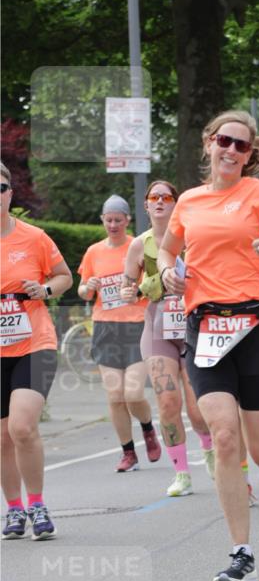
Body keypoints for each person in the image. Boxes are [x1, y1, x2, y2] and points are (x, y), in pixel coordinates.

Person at [158, 110, 259, 581]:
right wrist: (166, 271)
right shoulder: (189, 201)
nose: (230, 150)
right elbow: (167, 249)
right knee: (224, 436)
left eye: (241, 146)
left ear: (249, 155)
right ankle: (242, 553)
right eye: (224, 141)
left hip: (258, 326)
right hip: (206, 327)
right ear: (209, 142)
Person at [121, 180, 215, 497]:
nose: (160, 201)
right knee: (167, 400)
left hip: (193, 325)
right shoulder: (139, 245)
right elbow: (126, 287)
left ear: (176, 204)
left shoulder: (192, 238)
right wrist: (130, 292)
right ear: (146, 205)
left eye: (166, 197)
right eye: (154, 197)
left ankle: (209, 449)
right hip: (158, 326)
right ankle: (181, 473)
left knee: (198, 408)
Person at [1, 161, 72, 540]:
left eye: (0, 188)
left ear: (10, 194)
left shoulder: (34, 238)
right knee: (2, 437)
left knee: (22, 426)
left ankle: (37, 504)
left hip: (35, 343)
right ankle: (14, 509)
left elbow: (64, 277)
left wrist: (44, 290)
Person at [78, 195, 161, 472]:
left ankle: (148, 428)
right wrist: (88, 287)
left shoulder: (138, 246)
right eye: (108, 220)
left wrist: (137, 292)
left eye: (118, 220)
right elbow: (83, 291)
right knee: (115, 396)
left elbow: (154, 283)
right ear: (102, 220)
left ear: (127, 220)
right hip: (105, 328)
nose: (113, 225)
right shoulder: (94, 252)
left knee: (133, 394)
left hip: (137, 326)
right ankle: (128, 453)